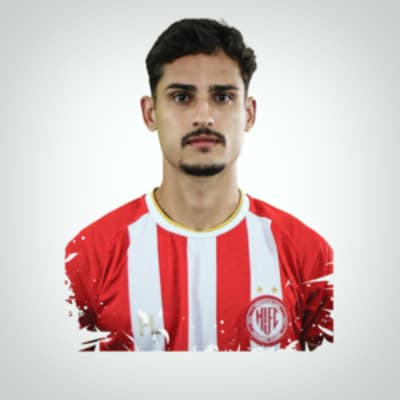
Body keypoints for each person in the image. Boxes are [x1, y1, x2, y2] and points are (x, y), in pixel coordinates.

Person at [65, 18, 333, 351]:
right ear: (150, 113)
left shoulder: (311, 258)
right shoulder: (88, 258)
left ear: (249, 114)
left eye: (222, 97)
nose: (204, 116)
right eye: (181, 97)